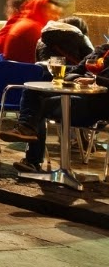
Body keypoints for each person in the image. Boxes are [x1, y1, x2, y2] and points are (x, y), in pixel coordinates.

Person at [14, 39, 109, 174]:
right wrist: (72, 78)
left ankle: (31, 155)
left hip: (97, 106)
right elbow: (77, 69)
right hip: (79, 97)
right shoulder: (102, 51)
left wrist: (96, 80)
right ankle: (26, 129)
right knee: (31, 92)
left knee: (38, 107)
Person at [0, 0, 61, 64]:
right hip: (23, 78)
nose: (56, 17)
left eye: (58, 14)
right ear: (39, 9)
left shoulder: (29, 24)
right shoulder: (32, 28)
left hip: (18, 74)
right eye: (52, 12)